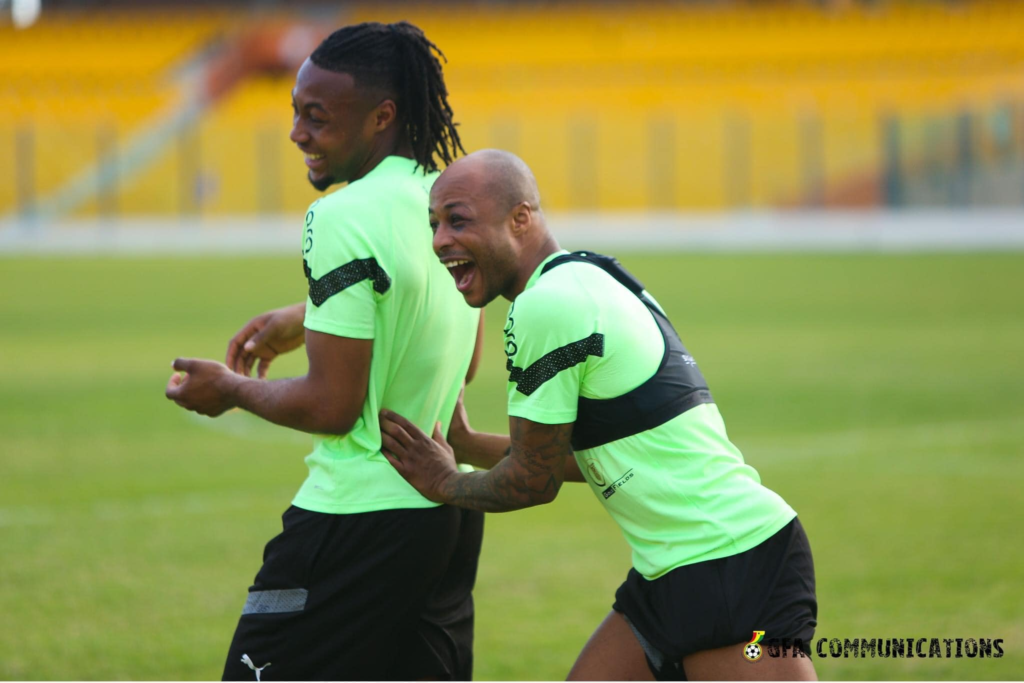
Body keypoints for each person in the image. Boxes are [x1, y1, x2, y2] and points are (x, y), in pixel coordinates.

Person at [379, 150, 819, 681]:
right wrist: (468, 443)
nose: (440, 240)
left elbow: (531, 481)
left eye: (458, 219)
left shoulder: (546, 305)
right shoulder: (589, 274)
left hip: (728, 562)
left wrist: (444, 482)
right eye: (434, 224)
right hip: (672, 569)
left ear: (521, 218)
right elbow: (579, 458)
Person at [165, 22, 485, 681]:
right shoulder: (447, 199)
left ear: (381, 117)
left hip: (355, 520)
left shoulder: (340, 217)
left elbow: (333, 405)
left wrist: (229, 389)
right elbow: (463, 359)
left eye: (317, 116)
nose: (297, 134)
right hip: (444, 516)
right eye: (295, 113)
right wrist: (310, 316)